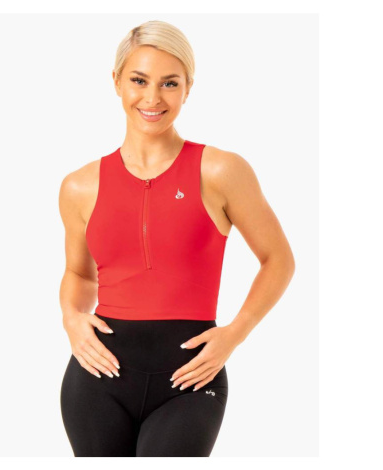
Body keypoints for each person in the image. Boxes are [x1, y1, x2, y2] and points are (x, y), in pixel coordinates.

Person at [58, 20, 295, 457]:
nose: (153, 98)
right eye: (139, 80)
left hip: (192, 379)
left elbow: (278, 259)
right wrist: (72, 318)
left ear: (188, 88)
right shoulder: (80, 186)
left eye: (170, 83)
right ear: (116, 82)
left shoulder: (221, 171)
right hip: (98, 380)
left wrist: (235, 333)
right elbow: (79, 273)